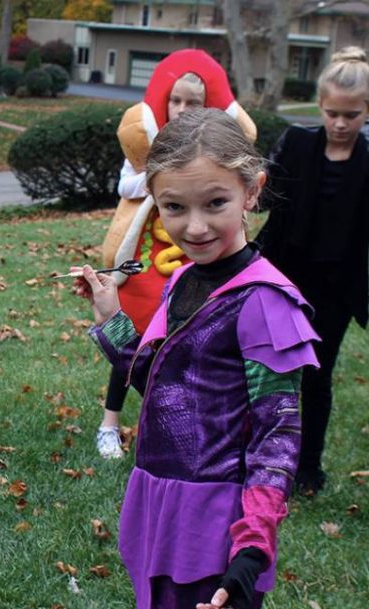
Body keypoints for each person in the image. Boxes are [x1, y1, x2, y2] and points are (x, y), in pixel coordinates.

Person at [75, 108, 319, 609]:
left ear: (252, 191)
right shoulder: (184, 280)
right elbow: (168, 390)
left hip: (217, 527)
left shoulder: (263, 301)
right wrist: (112, 317)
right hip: (161, 504)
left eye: (215, 203)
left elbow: (278, 434)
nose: (196, 226)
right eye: (175, 207)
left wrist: (252, 546)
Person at [96, 50, 258, 459]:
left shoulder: (258, 295)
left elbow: (279, 411)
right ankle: (111, 422)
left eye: (194, 102)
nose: (183, 109)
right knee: (140, 337)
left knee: (184, 345)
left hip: (192, 269)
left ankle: (174, 421)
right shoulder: (143, 154)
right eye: (176, 100)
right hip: (146, 266)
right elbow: (128, 189)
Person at [255, 47, 369, 496]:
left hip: (337, 288)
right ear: (319, 106)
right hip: (284, 276)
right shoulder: (297, 144)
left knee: (317, 378)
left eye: (352, 115)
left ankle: (307, 468)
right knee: (268, 370)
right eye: (332, 113)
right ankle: (259, 454)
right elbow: (264, 200)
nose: (340, 123)